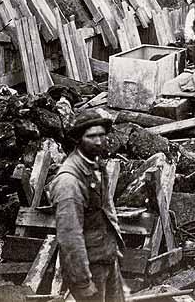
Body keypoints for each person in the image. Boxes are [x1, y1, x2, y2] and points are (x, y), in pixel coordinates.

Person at [51, 109, 125, 302]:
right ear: (78, 139)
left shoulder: (95, 165)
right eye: (91, 136)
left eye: (102, 135)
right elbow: (69, 235)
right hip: (89, 268)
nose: (99, 141)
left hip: (106, 258)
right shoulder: (69, 181)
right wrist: (83, 282)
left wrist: (113, 246)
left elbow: (106, 209)